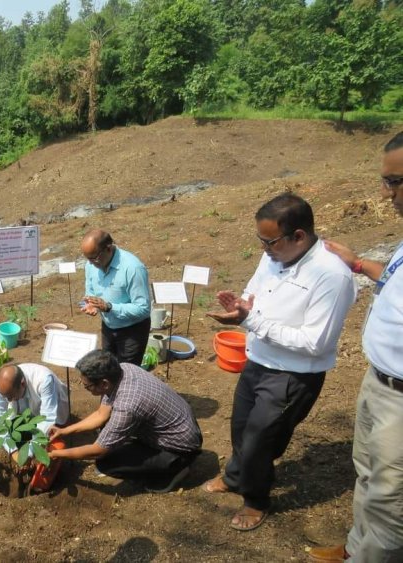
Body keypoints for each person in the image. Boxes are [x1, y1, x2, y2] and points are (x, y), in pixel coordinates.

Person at [205, 193, 356, 532]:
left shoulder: (331, 276)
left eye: (269, 242)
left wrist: (251, 322)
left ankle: (256, 500)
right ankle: (235, 475)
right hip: (258, 359)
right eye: (260, 241)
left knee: (261, 439)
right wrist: (242, 306)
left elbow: (315, 343)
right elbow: (256, 289)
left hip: (292, 374)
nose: (263, 249)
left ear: (298, 236)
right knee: (241, 427)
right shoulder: (275, 255)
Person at [308, 133, 403, 562]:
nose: (387, 194)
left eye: (395, 182)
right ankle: (355, 549)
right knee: (367, 473)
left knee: (390, 499)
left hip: (400, 398)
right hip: (380, 381)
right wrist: (360, 264)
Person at [48, 350, 202, 493]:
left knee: (106, 463)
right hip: (175, 428)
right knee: (111, 438)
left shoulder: (128, 406)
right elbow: (101, 415)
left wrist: (57, 454)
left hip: (180, 448)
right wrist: (64, 431)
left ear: (104, 383)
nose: (85, 388)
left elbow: (98, 450)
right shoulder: (123, 369)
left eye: (87, 386)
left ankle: (173, 470)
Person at [80, 229, 151, 366]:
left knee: (127, 373)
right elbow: (91, 290)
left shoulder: (133, 268)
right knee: (109, 368)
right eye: (87, 259)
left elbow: (143, 309)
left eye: (94, 258)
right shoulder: (91, 265)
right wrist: (91, 303)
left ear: (108, 248)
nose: (91, 263)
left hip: (132, 331)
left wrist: (109, 307)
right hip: (108, 326)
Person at [0, 363, 69, 465]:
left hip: (53, 404)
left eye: (11, 396)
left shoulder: (43, 380)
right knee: (15, 424)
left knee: (52, 431)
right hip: (26, 406)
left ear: (22, 383)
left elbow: (47, 418)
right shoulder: (1, 385)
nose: (8, 400)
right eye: (6, 397)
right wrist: (12, 450)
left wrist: (29, 452)